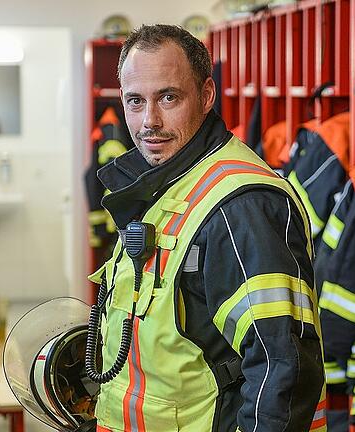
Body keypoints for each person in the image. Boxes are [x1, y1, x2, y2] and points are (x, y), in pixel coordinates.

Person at [90, 24, 326, 432]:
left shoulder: (242, 205)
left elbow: (281, 378)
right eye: (135, 101)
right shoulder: (167, 185)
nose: (149, 121)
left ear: (206, 95)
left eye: (168, 97)